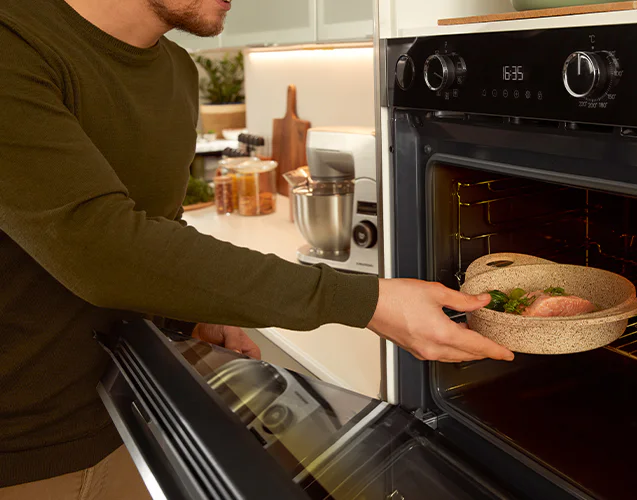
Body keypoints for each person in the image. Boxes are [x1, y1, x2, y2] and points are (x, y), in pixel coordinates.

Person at [0, 0, 514, 496]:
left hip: (135, 402)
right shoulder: (16, 41)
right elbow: (98, 247)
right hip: (30, 447)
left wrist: (192, 311)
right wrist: (370, 301)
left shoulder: (177, 70)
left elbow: (156, 230)